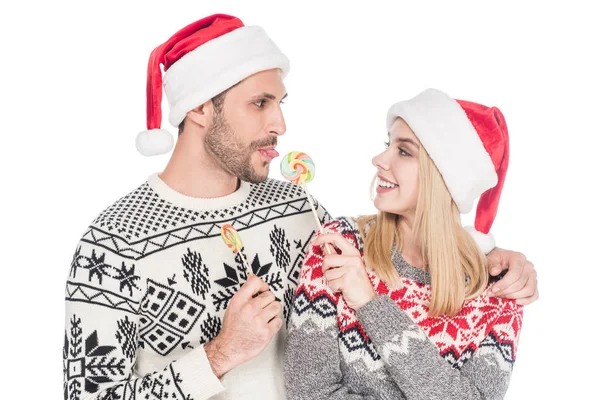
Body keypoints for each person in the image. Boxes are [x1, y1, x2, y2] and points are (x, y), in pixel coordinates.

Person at [62, 13, 537, 400]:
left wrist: (493, 258)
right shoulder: (113, 244)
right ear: (200, 108)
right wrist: (219, 355)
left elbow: (400, 247)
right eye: (260, 104)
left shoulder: (298, 208)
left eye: (281, 102)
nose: (281, 123)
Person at [285, 88, 528, 399]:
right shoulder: (339, 247)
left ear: (443, 178)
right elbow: (308, 392)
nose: (378, 159)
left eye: (404, 151)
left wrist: (370, 305)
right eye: (388, 144)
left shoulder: (498, 292)